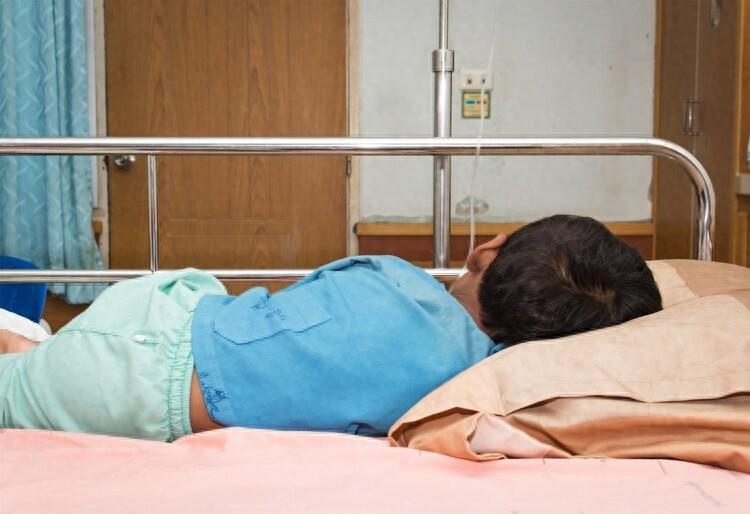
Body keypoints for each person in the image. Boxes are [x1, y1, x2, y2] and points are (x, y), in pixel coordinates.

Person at [0, 215, 662, 441]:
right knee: (43, 366)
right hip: (133, 376)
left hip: (148, 341)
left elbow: (290, 316)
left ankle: (33, 347)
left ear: (486, 250)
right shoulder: (476, 391)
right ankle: (35, 350)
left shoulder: (392, 276)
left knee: (43, 366)